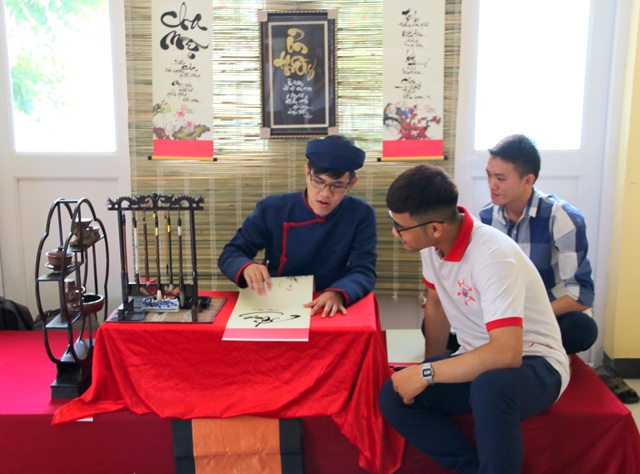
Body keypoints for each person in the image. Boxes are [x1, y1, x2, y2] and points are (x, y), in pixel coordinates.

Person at [379, 164, 570, 474]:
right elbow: (437, 305)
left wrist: (428, 372)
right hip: (476, 357)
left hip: (535, 362)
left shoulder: (492, 257)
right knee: (395, 394)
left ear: (435, 228)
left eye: (400, 226)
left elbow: (506, 355)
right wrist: (427, 367)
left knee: (490, 388)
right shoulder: (432, 244)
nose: (394, 232)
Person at [218, 135, 377, 317]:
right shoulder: (272, 208)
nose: (325, 194)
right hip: (274, 300)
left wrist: (339, 293)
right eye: (318, 181)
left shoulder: (360, 213)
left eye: (337, 185)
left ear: (351, 184)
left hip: (326, 301)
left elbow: (363, 269)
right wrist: (246, 266)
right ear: (306, 173)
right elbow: (231, 253)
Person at [479, 134, 598, 354]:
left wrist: (528, 318)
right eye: (489, 175)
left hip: (551, 313)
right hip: (505, 313)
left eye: (501, 178)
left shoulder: (562, 217)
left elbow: (581, 295)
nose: (491, 185)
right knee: (442, 327)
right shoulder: (486, 218)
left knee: (582, 329)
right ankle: (525, 349)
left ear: (528, 180)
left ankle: (524, 350)